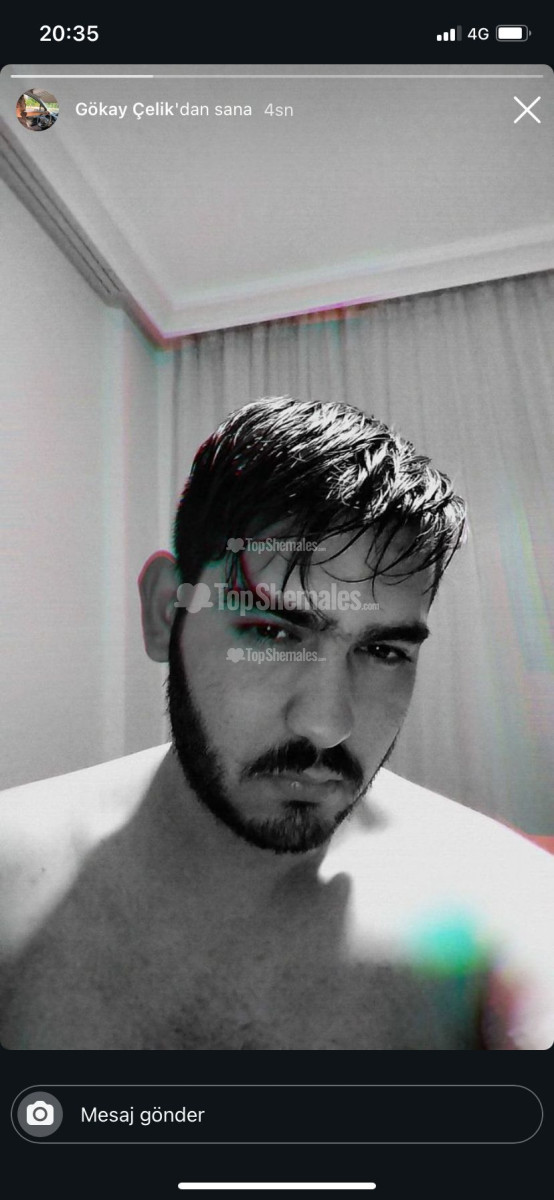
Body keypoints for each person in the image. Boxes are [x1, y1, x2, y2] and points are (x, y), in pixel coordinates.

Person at [1, 397, 553, 1050]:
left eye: (382, 651)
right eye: (271, 632)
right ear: (165, 612)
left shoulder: (505, 901)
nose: (326, 724)